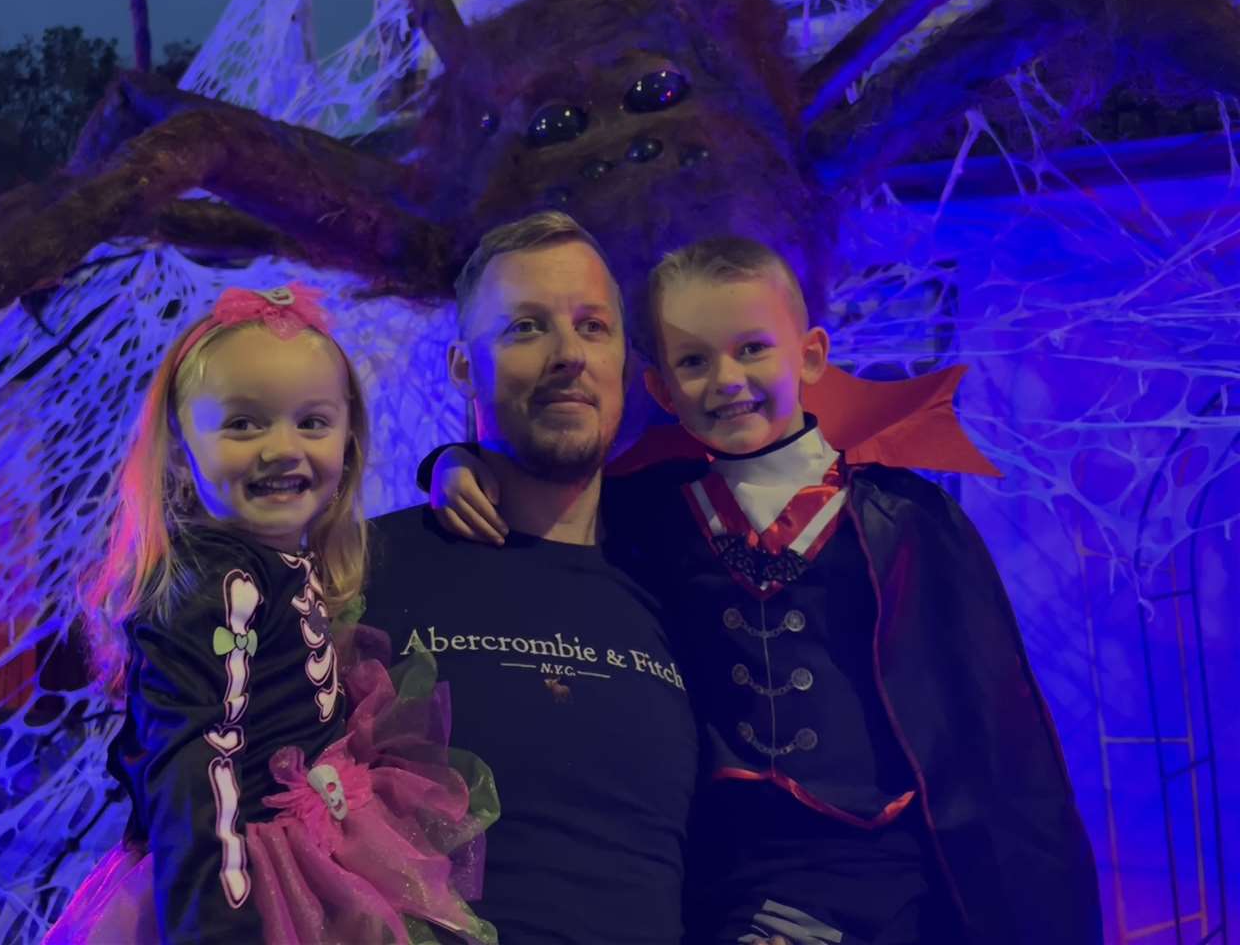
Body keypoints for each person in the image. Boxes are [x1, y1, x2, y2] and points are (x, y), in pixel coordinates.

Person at [431, 235, 1103, 945]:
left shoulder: (906, 519)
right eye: (693, 361)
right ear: (659, 389)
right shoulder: (647, 514)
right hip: (727, 877)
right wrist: (451, 463)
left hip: (886, 874)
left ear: (810, 354)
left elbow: (996, 737)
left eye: (752, 348)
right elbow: (541, 483)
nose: (726, 379)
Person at [46, 285, 496, 945]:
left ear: (347, 447)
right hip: (244, 881)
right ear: (179, 450)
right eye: (243, 424)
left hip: (319, 837)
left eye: (311, 423)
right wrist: (217, 925)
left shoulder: (278, 560)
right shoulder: (218, 587)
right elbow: (193, 768)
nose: (282, 448)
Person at [360, 213, 700, 943]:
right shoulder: (368, 567)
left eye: (593, 326)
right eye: (525, 328)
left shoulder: (692, 584)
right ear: (461, 366)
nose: (569, 355)